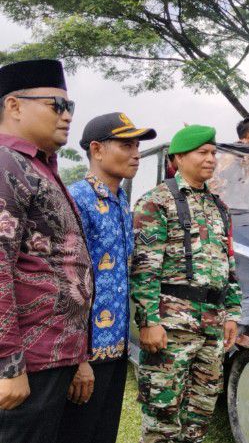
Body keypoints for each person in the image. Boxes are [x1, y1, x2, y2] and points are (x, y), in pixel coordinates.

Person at [0, 59, 93, 443]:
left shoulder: (38, 166)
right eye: (57, 105)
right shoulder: (7, 163)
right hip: (26, 367)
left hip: (53, 360)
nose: (67, 116)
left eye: (70, 107)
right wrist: (7, 364)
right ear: (15, 106)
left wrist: (79, 356)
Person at [131, 125, 241, 443]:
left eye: (213, 152)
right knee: (162, 418)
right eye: (202, 152)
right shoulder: (156, 202)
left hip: (212, 326)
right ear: (178, 157)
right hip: (171, 328)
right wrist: (149, 322)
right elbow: (143, 270)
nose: (211, 158)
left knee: (200, 416)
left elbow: (230, 267)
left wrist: (232, 313)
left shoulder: (219, 207)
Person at [58, 113, 156, 443]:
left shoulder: (119, 200)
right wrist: (78, 359)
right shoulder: (77, 199)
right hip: (84, 355)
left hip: (116, 349)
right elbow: (66, 285)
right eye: (127, 144)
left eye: (138, 145)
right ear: (97, 149)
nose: (137, 153)